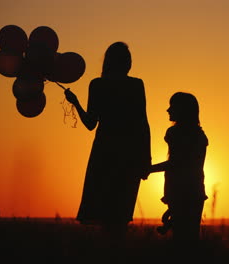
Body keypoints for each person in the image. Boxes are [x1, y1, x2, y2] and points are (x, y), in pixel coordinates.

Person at [64, 42, 151, 243]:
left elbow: (90, 124)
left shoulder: (97, 85)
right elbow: (142, 123)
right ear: (127, 62)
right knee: (121, 212)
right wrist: (146, 157)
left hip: (104, 153)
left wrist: (75, 102)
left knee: (105, 212)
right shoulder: (136, 85)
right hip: (128, 154)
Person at [147, 92, 208, 242]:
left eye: (172, 106)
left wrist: (148, 169)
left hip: (182, 193)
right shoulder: (198, 135)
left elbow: (176, 164)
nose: (168, 110)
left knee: (182, 242)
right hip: (193, 193)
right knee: (189, 239)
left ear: (182, 110)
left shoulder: (177, 133)